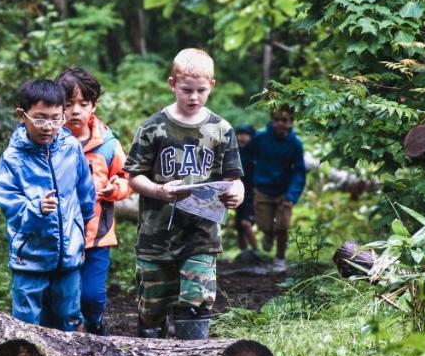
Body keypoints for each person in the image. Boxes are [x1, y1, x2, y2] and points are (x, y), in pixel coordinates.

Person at [124, 49, 244, 340]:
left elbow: (234, 178)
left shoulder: (220, 129)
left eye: (201, 91)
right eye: (186, 90)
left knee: (196, 302)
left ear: (212, 86)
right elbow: (133, 176)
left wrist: (236, 194)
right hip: (156, 236)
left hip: (201, 235)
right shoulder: (153, 128)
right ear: (172, 84)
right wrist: (157, 190)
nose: (194, 97)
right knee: (153, 307)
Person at [0, 78, 96, 331]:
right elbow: (9, 205)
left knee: (69, 315)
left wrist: (81, 224)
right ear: (22, 115)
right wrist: (35, 209)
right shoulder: (13, 158)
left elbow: (84, 190)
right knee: (26, 320)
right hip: (30, 257)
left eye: (55, 118)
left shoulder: (71, 147)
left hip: (68, 254)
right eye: (40, 119)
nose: (48, 127)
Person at [59, 66, 132, 336]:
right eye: (68, 104)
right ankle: (71, 342)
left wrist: (116, 188)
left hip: (97, 237)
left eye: (83, 104)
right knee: (66, 299)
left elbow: (126, 178)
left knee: (91, 297)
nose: (75, 111)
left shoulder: (108, 145)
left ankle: (97, 326)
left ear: (94, 105)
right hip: (61, 236)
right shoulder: (50, 141)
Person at [248, 105, 306, 273]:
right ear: (272, 121)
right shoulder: (260, 138)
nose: (280, 123)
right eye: (276, 120)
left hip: (284, 191)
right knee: (264, 225)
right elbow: (246, 156)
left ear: (291, 122)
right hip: (262, 188)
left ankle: (280, 258)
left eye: (285, 120)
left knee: (283, 226)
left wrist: (292, 195)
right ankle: (267, 233)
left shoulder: (295, 144)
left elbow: (299, 171)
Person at [233, 124, 260, 258]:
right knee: (238, 225)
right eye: (240, 134)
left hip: (251, 193)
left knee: (246, 223)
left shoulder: (255, 153)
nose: (242, 137)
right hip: (237, 192)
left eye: (246, 134)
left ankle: (256, 251)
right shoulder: (233, 152)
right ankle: (244, 251)